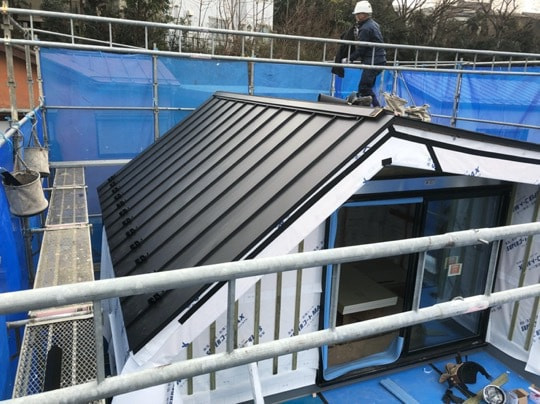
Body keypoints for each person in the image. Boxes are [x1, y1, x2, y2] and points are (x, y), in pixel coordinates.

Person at [348, 1, 386, 107]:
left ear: (363, 14)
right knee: (367, 87)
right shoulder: (373, 24)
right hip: (378, 59)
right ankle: (372, 108)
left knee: (364, 88)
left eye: (357, 14)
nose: (356, 16)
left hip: (373, 61)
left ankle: (377, 108)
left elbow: (361, 48)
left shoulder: (365, 28)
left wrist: (349, 58)